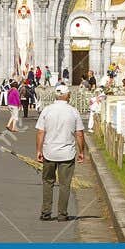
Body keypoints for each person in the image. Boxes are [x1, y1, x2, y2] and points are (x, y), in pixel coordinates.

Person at [34, 86, 87, 222]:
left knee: (48, 182)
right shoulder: (73, 111)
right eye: (69, 94)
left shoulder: (47, 110)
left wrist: (39, 150)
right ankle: (62, 214)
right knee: (64, 184)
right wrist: (82, 152)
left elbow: (41, 132)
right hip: (67, 153)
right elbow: (79, 134)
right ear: (66, 95)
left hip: (49, 151)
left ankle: (46, 212)